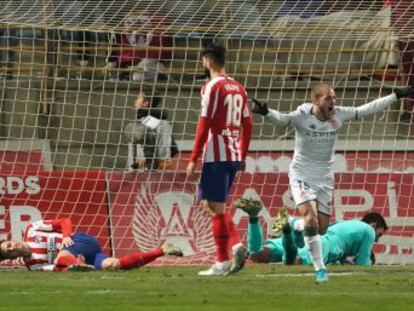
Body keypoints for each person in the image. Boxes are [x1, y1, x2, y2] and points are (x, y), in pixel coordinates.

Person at [252, 83, 414, 282]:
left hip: (325, 178)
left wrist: (395, 96)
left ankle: (294, 225)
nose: (333, 103)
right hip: (302, 174)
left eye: (334, 98)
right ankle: (320, 270)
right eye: (328, 98)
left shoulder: (339, 114)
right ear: (316, 100)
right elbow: (283, 120)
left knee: (321, 229)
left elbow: (365, 110)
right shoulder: (302, 114)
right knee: (311, 219)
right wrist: (267, 112)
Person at [186, 43, 253, 276]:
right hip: (233, 154)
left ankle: (232, 248)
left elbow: (204, 123)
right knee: (210, 205)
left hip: (216, 154)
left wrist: (193, 157)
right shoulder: (239, 87)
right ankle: (224, 259)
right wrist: (243, 154)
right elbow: (248, 124)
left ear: (208, 61)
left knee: (214, 207)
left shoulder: (211, 87)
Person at [235, 198, 387, 267]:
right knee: (294, 262)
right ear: (374, 225)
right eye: (379, 234)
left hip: (312, 238)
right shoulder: (368, 231)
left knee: (257, 255)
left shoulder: (346, 226)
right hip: (321, 246)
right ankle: (292, 227)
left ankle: (255, 218)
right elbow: (363, 264)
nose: (377, 240)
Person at [0, 218, 183, 271]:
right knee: (113, 265)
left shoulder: (31, 229)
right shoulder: (33, 265)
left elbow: (63, 221)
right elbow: (55, 268)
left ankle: (81, 266)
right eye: (9, 251)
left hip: (82, 241)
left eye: (8, 244)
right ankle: (162, 250)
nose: (12, 247)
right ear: (11, 258)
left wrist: (65, 236)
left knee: (62, 255)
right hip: (81, 258)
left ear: (10, 239)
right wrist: (69, 264)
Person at [123, 88, 177, 170]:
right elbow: (173, 148)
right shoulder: (165, 122)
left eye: (138, 98)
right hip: (164, 165)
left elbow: (148, 143)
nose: (135, 100)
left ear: (146, 103)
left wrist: (146, 162)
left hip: (150, 167)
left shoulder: (147, 122)